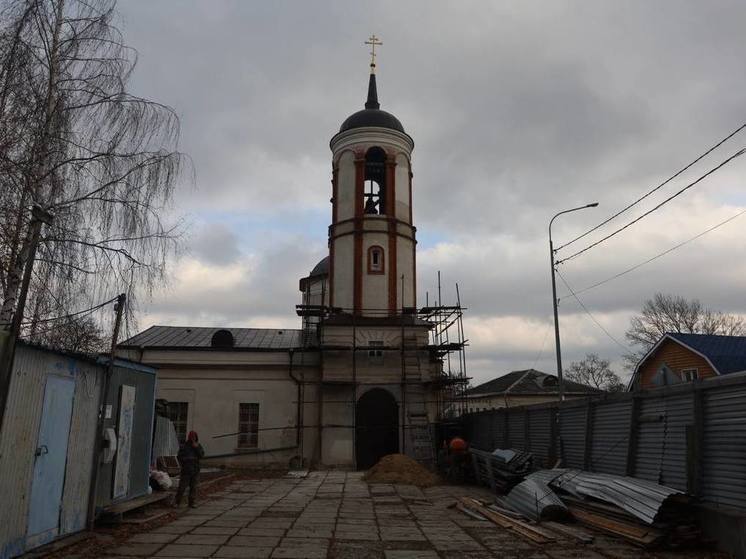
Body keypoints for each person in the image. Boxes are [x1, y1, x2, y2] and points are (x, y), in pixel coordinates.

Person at [174, 430, 204, 508]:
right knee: (182, 487)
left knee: (193, 488)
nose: (193, 438)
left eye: (194, 437)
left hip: (195, 469)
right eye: (192, 437)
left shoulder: (198, 445)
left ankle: (191, 503)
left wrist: (196, 448)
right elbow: (179, 457)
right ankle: (177, 502)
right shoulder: (184, 446)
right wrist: (186, 460)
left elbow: (201, 455)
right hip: (186, 470)